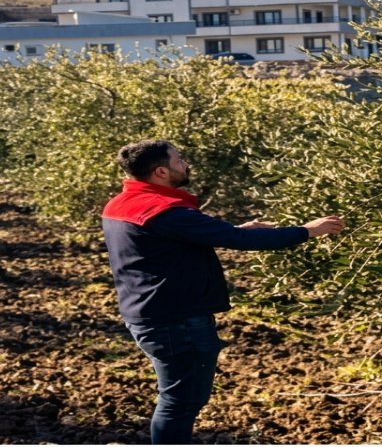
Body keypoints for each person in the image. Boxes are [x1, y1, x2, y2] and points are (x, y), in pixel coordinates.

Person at [102, 139, 344, 444]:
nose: (185, 164)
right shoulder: (163, 210)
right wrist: (309, 230)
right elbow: (238, 242)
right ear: (161, 172)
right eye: (179, 160)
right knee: (180, 402)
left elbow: (176, 240)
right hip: (176, 322)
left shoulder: (122, 204)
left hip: (150, 314)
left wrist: (237, 230)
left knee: (178, 399)